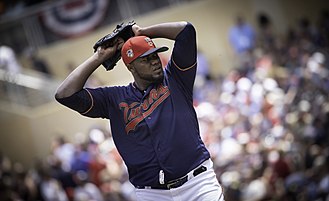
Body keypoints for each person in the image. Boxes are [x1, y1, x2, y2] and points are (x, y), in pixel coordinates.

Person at [55, 21, 224, 201]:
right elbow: (65, 94)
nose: (155, 62)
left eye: (155, 56)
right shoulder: (115, 98)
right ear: (131, 67)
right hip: (153, 194)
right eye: (146, 59)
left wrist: (144, 32)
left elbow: (186, 31)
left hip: (197, 183)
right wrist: (99, 57)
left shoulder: (176, 78)